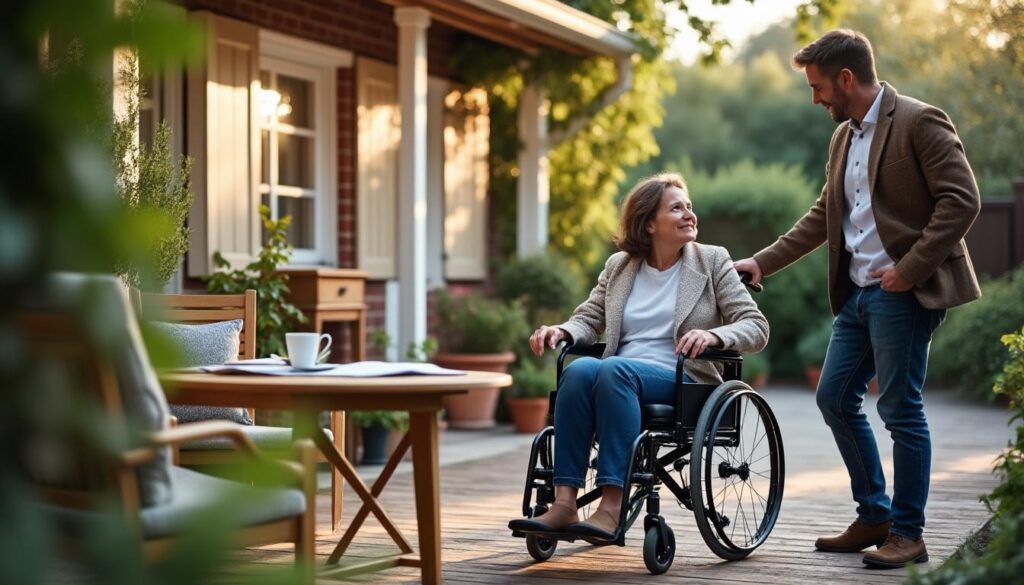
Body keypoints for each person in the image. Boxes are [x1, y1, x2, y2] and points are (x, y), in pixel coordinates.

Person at [734, 30, 982, 569]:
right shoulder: (844, 137)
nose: (816, 98)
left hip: (903, 294)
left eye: (819, 87)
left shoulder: (920, 120)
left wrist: (909, 269)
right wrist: (761, 261)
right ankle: (875, 514)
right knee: (834, 398)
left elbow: (962, 201)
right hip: (859, 296)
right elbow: (824, 216)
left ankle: (909, 533)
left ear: (846, 79)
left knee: (898, 408)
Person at [509, 173, 769, 541]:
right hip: (619, 377)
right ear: (648, 224)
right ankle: (564, 502)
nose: (689, 215)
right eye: (676, 208)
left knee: (612, 370)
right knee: (580, 369)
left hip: (682, 380)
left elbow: (755, 326)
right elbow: (589, 317)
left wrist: (714, 334)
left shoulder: (712, 261)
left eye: (689, 207)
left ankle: (611, 508)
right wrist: (564, 331)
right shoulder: (620, 266)